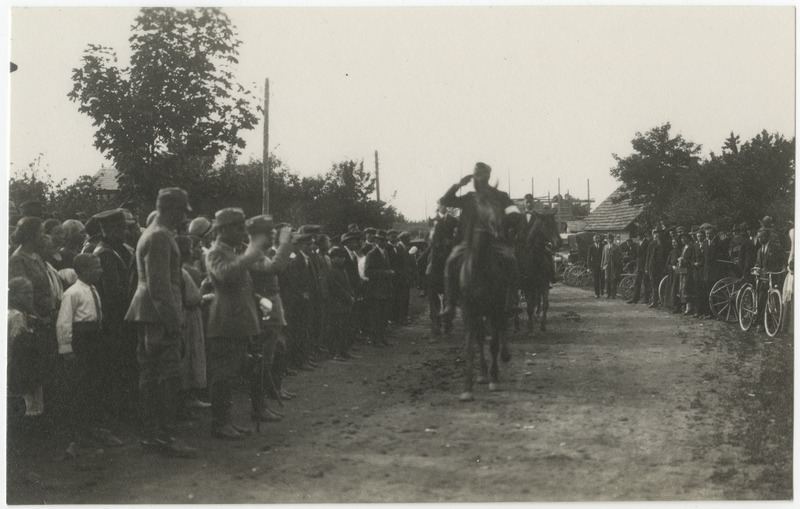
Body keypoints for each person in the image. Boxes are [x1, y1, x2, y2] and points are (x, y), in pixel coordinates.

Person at [124, 187, 196, 458]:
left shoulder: (153, 233)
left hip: (149, 314)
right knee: (167, 376)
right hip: (159, 316)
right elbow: (160, 288)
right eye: (181, 212)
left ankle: (153, 436)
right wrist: (174, 323)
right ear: (171, 210)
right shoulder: (159, 236)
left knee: (152, 377)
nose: (182, 218)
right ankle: (164, 437)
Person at [57, 253, 124, 452]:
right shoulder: (72, 293)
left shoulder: (93, 289)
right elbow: (64, 322)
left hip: (95, 340)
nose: (101, 271)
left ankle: (95, 428)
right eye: (96, 267)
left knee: (96, 383)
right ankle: (81, 433)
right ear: (83, 270)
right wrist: (66, 348)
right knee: (82, 386)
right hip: (82, 342)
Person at [438, 162, 519, 321]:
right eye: (476, 176)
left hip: (495, 242)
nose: (478, 180)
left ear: (487, 176)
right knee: (451, 262)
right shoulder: (469, 198)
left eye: (480, 176)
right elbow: (445, 200)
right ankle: (450, 304)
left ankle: (511, 302)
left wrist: (502, 225)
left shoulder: (500, 196)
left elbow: (515, 213)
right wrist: (459, 184)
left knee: (511, 261)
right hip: (467, 243)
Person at [7, 277, 45, 418]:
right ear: (13, 295)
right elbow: (17, 344)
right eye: (25, 293)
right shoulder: (16, 316)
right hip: (18, 365)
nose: (30, 296)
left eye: (31, 293)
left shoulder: (20, 314)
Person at [425, 201, 458, 335]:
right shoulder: (432, 220)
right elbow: (428, 236)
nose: (444, 207)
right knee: (422, 260)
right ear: (438, 206)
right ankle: (422, 284)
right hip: (435, 249)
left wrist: (451, 241)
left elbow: (458, 234)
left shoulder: (453, 220)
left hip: (449, 249)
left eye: (446, 205)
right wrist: (434, 241)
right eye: (441, 205)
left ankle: (448, 323)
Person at [364, 229, 395, 347]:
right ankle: (375, 339)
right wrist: (386, 273)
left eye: (385, 240)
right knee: (376, 316)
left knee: (383, 315)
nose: (385, 242)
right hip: (375, 290)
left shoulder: (385, 253)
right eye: (382, 240)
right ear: (377, 241)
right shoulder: (372, 254)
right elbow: (367, 272)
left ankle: (382, 337)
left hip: (385, 289)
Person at [326, 246, 356, 361]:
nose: (342, 259)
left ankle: (343, 351)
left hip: (345, 304)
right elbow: (336, 289)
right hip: (336, 304)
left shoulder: (343, 270)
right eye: (339, 257)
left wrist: (351, 295)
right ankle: (335, 353)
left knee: (344, 329)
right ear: (333, 258)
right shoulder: (331, 271)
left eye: (343, 257)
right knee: (336, 330)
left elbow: (347, 286)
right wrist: (348, 297)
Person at [627, 231, 651, 304]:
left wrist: (646, 266)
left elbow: (648, 255)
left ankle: (646, 299)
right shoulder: (639, 243)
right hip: (639, 264)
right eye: (637, 236)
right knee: (637, 282)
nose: (638, 237)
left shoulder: (647, 243)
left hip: (644, 265)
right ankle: (635, 299)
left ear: (643, 235)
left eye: (639, 235)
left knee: (646, 282)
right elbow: (638, 256)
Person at [601, 233, 622, 299]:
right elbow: (603, 256)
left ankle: (613, 294)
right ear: (607, 239)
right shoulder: (605, 247)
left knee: (613, 279)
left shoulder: (617, 247)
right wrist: (602, 265)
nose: (610, 240)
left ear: (613, 239)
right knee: (607, 279)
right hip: (607, 265)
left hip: (614, 265)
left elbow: (620, 256)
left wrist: (616, 261)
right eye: (609, 239)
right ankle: (608, 294)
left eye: (611, 239)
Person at [586, 235, 604, 299]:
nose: (597, 240)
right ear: (593, 240)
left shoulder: (602, 246)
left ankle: (602, 291)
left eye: (598, 239)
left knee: (602, 279)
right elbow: (589, 257)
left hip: (602, 265)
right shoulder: (591, 247)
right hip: (594, 266)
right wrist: (588, 267)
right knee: (596, 280)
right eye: (595, 239)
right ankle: (597, 293)